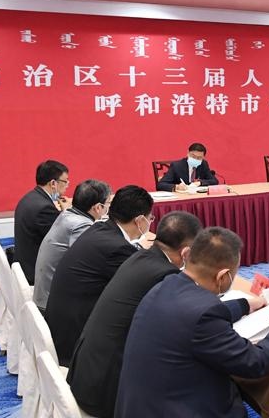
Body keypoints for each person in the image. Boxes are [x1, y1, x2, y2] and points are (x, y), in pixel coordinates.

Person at [115, 227, 269, 418]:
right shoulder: (205, 315)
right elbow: (253, 363)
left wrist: (245, 305)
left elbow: (194, 315)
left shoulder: (165, 285)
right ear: (223, 276)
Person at [68, 211, 202, 418]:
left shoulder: (141, 256)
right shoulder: (165, 274)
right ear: (186, 252)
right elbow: (191, 322)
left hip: (86, 373)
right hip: (106, 391)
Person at [45, 185, 154, 367]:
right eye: (151, 218)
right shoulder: (117, 248)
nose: (150, 223)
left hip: (62, 325)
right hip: (76, 344)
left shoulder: (99, 229)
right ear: (140, 220)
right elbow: (141, 288)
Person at [33, 179, 111, 314]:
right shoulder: (81, 225)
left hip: (44, 295)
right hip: (52, 306)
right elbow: (90, 264)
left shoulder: (67, 214)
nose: (108, 207)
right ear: (98, 207)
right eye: (108, 203)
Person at [14, 160, 70, 284]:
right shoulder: (44, 209)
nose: (67, 185)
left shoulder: (31, 197)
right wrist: (67, 213)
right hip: (35, 271)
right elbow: (63, 239)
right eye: (65, 181)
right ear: (53, 183)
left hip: (23, 263)